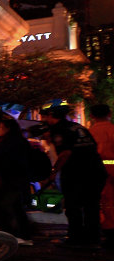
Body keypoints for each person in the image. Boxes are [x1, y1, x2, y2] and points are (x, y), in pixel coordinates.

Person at [42, 105, 105, 247]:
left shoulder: (59, 130)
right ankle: (93, 238)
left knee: (73, 206)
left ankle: (76, 238)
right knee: (91, 206)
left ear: (52, 116)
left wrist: (54, 172)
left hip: (77, 172)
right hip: (96, 170)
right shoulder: (77, 127)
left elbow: (65, 153)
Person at [0, 117, 35, 242]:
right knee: (16, 206)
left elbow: (5, 161)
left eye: (0, 127)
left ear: (7, 128)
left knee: (8, 206)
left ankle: (15, 235)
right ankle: (20, 235)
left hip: (12, 179)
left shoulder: (10, 143)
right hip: (15, 179)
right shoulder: (19, 141)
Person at [88, 104, 114, 248]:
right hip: (111, 170)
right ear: (109, 113)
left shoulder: (89, 133)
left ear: (92, 116)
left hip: (95, 171)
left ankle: (104, 231)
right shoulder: (112, 130)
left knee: (99, 203)